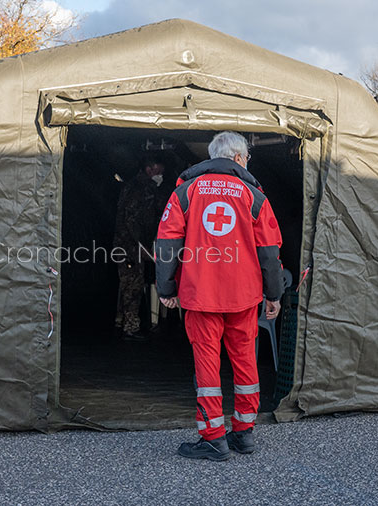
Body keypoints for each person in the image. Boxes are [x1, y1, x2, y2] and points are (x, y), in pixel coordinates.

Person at [155, 131, 283, 460]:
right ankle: (243, 433)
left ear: (213, 156)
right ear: (239, 158)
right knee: (245, 362)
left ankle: (213, 436)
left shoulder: (186, 191)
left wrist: (166, 288)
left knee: (207, 364)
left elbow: (168, 242)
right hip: (244, 295)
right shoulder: (255, 196)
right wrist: (274, 294)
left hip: (201, 294)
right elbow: (269, 252)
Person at [114, 156, 167, 340]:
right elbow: (131, 220)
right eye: (159, 171)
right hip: (130, 246)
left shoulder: (145, 187)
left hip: (130, 244)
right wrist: (141, 246)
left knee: (127, 284)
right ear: (149, 169)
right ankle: (131, 327)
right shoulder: (137, 189)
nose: (161, 174)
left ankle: (121, 321)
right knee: (133, 286)